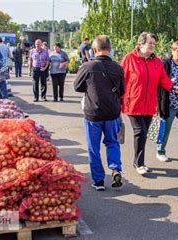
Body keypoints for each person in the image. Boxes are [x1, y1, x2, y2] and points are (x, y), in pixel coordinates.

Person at [121, 32, 178, 176]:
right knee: (140, 132)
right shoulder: (129, 59)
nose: (153, 46)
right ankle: (139, 164)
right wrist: (118, 101)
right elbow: (121, 80)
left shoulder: (156, 62)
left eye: (154, 44)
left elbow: (163, 79)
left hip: (150, 104)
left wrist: (174, 88)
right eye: (150, 43)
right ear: (140, 44)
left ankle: (137, 161)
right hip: (133, 103)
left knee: (143, 134)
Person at [74, 35, 124, 191]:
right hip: (112, 113)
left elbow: (77, 87)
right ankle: (116, 168)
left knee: (93, 147)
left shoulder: (87, 67)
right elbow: (122, 90)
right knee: (112, 142)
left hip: (93, 114)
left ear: (94, 50)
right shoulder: (118, 68)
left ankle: (98, 181)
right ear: (110, 50)